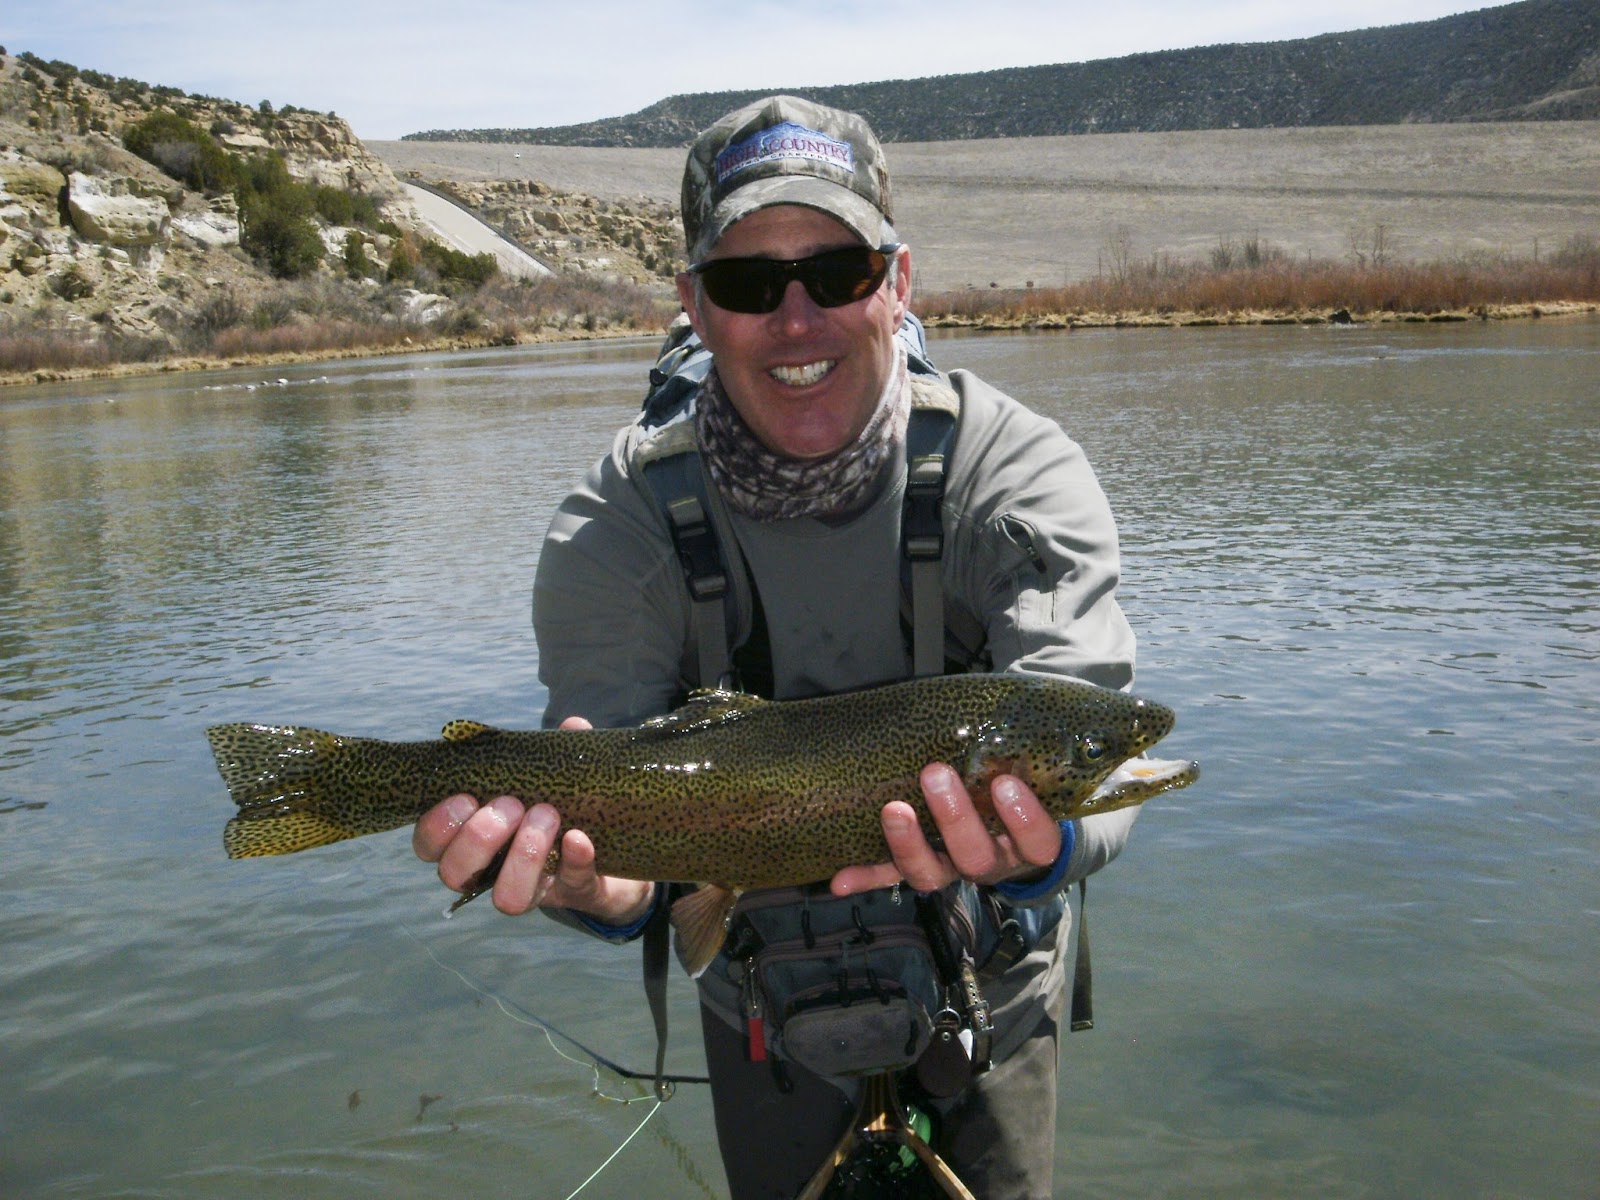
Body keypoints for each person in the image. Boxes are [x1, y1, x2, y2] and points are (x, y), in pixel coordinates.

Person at [413, 95, 1140, 1199]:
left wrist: (1041, 844)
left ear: (897, 284)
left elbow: (1087, 738)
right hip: (757, 1011)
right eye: (751, 286)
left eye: (836, 274)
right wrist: (606, 892)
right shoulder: (617, 523)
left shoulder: (1017, 474)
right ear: (695, 309)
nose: (795, 318)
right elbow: (601, 785)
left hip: (990, 994)